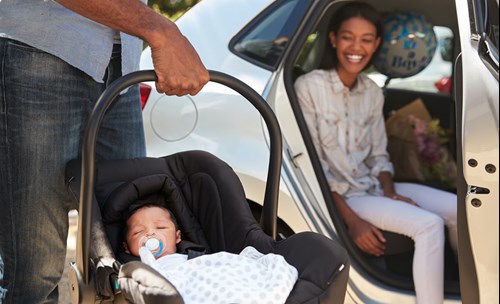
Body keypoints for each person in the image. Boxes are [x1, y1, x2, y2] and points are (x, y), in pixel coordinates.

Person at [0, 1, 209, 303]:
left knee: (119, 259)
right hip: (39, 48)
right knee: (34, 269)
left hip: (121, 59)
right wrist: (160, 30)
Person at [294, 2, 458, 304]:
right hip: (348, 196)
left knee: (459, 209)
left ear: (377, 44)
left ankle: (472, 288)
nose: (356, 47)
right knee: (429, 226)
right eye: (348, 37)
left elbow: (380, 154)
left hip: (374, 186)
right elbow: (314, 166)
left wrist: (389, 191)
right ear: (333, 39)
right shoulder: (309, 87)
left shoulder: (370, 90)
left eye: (366, 39)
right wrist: (352, 221)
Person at [123, 204, 298, 304]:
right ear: (126, 247)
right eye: (138, 232)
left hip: (210, 278)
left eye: (160, 227)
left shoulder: (199, 258)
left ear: (177, 237)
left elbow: (223, 267)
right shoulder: (136, 270)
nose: (150, 234)